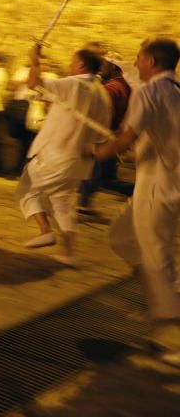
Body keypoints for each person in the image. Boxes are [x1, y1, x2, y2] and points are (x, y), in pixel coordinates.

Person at [92, 39, 179, 366]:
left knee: (157, 257)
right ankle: (162, 298)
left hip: (161, 186)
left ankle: (172, 326)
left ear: (152, 60)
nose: (135, 61)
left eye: (139, 57)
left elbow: (126, 136)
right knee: (122, 236)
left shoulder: (149, 92)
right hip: (153, 183)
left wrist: (96, 152)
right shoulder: (173, 90)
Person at [16, 46, 111, 265]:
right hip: (79, 158)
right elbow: (101, 128)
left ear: (81, 65)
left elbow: (33, 83)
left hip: (56, 153)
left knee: (27, 190)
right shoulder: (102, 93)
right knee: (62, 203)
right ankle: (70, 253)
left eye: (72, 61)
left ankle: (45, 230)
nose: (70, 65)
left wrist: (33, 60)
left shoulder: (73, 83)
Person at [77, 52, 133, 215]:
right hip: (110, 135)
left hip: (104, 136)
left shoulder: (112, 88)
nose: (101, 67)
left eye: (105, 64)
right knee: (101, 176)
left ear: (114, 67)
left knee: (99, 174)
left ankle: (142, 192)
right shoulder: (122, 85)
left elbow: (102, 112)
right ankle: (83, 204)